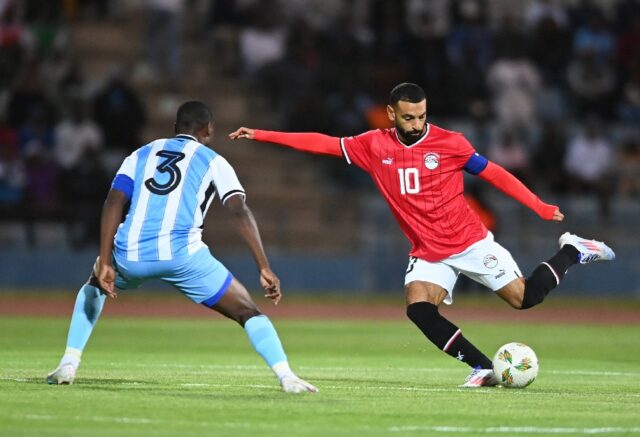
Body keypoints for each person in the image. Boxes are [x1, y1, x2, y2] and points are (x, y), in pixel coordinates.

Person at [229, 83, 615, 388]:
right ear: (392, 113)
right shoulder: (372, 145)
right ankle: (482, 367)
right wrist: (261, 134)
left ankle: (573, 251)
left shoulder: (451, 144)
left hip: (470, 242)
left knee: (525, 298)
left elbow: (494, 173)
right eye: (409, 117)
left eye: (422, 116)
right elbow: (322, 143)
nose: (417, 124)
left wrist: (539, 205)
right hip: (429, 251)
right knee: (418, 309)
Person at [47, 101, 317, 394]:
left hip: (131, 252)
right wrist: (264, 266)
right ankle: (286, 376)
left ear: (175, 128)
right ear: (209, 130)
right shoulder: (214, 161)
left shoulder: (140, 154)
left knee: (94, 285)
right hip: (184, 256)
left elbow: (113, 202)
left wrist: (107, 261)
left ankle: (69, 362)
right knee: (248, 312)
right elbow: (239, 210)